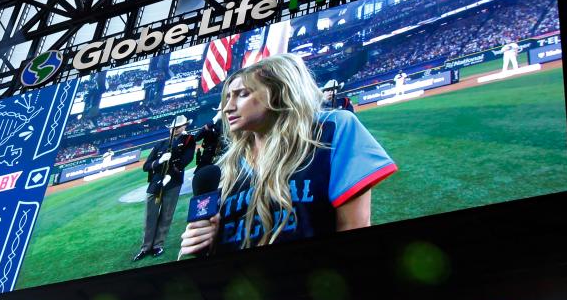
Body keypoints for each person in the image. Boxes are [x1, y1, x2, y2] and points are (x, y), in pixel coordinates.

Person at [180, 54, 397, 256]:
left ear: (280, 92)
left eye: (242, 94)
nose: (228, 107)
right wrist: (211, 237)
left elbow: (353, 226)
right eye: (227, 97)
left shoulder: (332, 130)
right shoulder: (227, 165)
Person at [134, 114, 195, 261]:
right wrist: (159, 161)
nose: (178, 129)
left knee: (166, 215)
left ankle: (158, 245)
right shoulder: (160, 145)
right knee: (150, 216)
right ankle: (145, 247)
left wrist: (171, 175)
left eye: (181, 127)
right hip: (156, 183)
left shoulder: (187, 140)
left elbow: (186, 159)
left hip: (173, 182)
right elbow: (146, 166)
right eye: (176, 127)